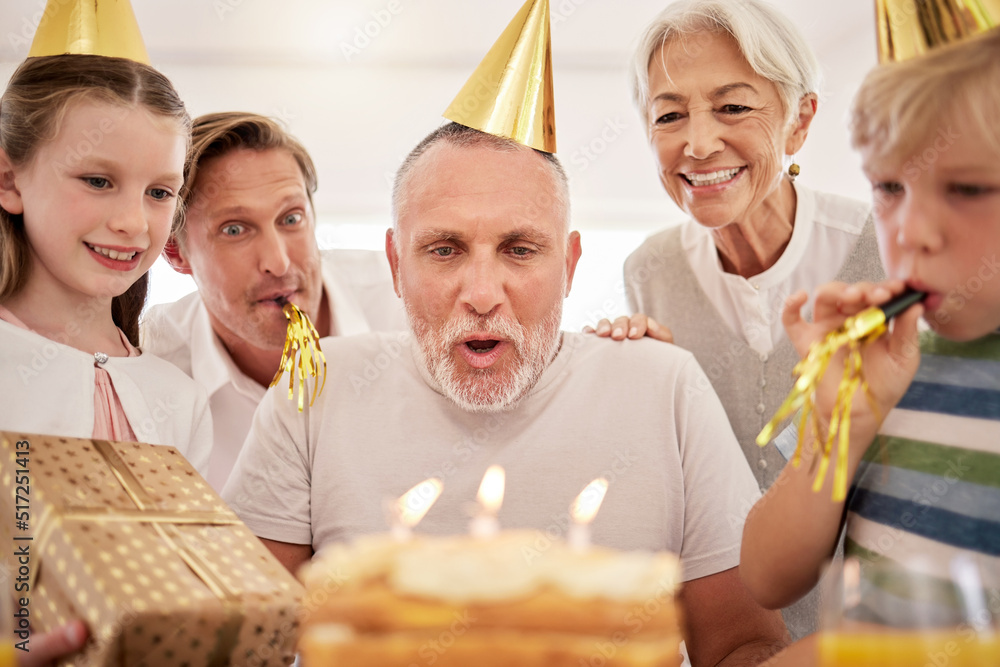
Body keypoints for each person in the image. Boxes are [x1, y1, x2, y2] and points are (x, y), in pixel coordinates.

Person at [223, 122, 790, 666]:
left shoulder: (664, 386)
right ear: (396, 264)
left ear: (569, 265)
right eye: (445, 249)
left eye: (519, 249)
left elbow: (742, 644)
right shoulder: (314, 386)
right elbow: (240, 645)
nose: (482, 294)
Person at [741, 29, 1000, 661]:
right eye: (889, 188)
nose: (910, 230)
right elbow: (768, 578)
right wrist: (840, 427)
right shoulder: (885, 358)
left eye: (965, 189)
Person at [623, 0, 885, 492]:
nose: (698, 144)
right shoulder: (649, 271)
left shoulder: (884, 248)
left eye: (734, 107)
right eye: (669, 115)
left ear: (799, 121)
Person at [0, 53, 208, 665]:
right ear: (9, 181)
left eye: (159, 192)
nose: (132, 222)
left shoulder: (177, 396)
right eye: (97, 180)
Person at [141, 112, 405, 490]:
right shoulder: (149, 370)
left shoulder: (405, 304)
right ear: (175, 251)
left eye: (291, 218)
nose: (278, 262)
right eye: (235, 229)